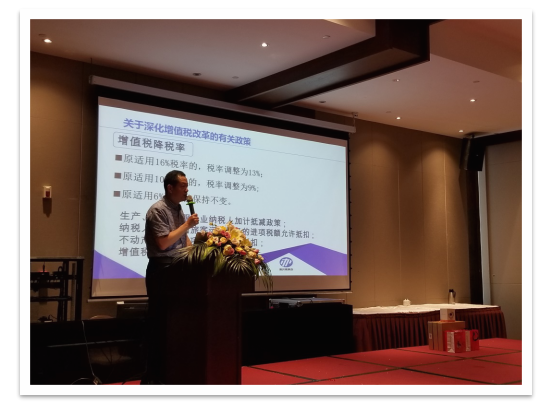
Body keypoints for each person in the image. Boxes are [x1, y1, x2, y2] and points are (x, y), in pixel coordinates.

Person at [141, 170, 199, 384]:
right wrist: (187, 225)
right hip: (162, 271)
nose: (187, 190)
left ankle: (175, 374)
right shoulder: (157, 210)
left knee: (177, 326)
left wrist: (197, 251)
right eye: (183, 186)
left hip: (178, 270)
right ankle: (154, 378)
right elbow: (164, 243)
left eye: (187, 185)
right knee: (160, 325)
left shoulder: (178, 209)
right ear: (170, 188)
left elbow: (183, 240)